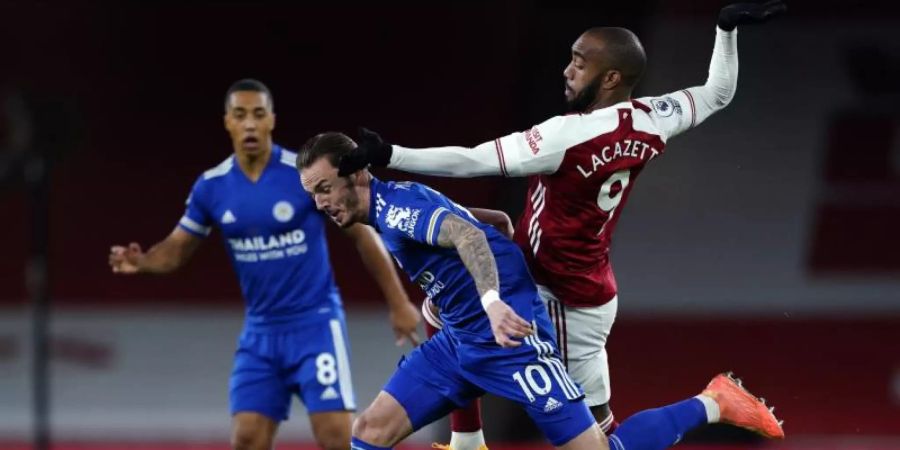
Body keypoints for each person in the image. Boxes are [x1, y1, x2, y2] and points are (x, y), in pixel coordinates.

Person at [336, 2, 786, 448]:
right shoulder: (654, 118)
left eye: (579, 63)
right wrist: (725, 30)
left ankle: (713, 405)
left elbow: (472, 160)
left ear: (611, 78)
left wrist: (392, 155)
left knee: (598, 443)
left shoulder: (564, 137)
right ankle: (467, 441)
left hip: (561, 296)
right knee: (445, 308)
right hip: (576, 279)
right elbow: (717, 93)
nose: (567, 72)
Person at [296, 131, 784, 450]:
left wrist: (490, 301)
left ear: (357, 174)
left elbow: (465, 237)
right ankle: (469, 439)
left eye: (323, 188)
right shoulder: (394, 208)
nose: (319, 204)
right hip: (461, 343)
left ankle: (716, 402)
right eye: (311, 194)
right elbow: (484, 223)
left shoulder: (398, 211)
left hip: (510, 340)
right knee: (369, 432)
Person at [107, 79, 420, 450]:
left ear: (272, 120)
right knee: (247, 438)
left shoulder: (302, 176)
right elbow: (176, 250)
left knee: (336, 438)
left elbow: (363, 236)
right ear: (228, 122)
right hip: (261, 333)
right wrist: (143, 262)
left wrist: (398, 302)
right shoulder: (212, 187)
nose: (250, 124)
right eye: (240, 115)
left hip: (315, 324)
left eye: (258, 114)